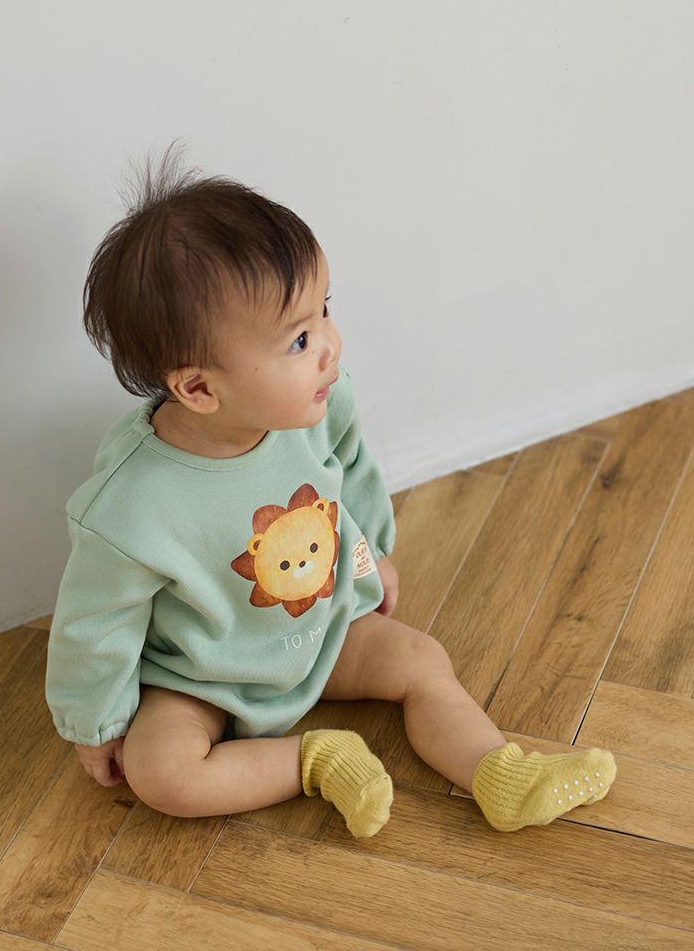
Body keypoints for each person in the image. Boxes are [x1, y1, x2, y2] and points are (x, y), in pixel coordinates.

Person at [45, 139, 616, 838]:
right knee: (162, 773)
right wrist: (95, 723)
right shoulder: (132, 508)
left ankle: (499, 772)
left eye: (324, 311)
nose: (330, 345)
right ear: (198, 388)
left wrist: (372, 558)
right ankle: (315, 759)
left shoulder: (316, 406)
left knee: (421, 661)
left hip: (323, 630)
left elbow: (350, 473)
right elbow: (94, 625)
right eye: (298, 340)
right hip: (203, 676)